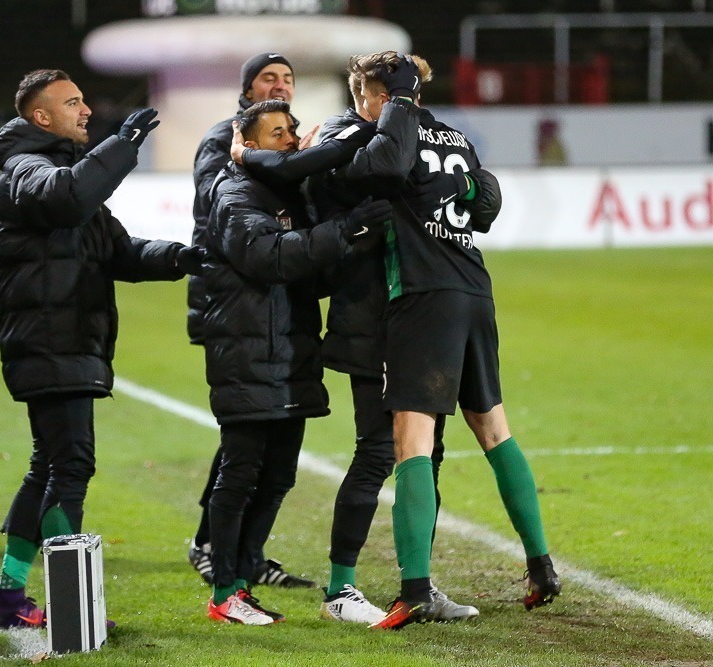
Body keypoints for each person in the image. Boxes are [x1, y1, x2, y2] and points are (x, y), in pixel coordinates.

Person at [0, 69, 202, 629]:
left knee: (47, 466)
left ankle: (10, 599)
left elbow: (119, 251)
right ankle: (69, 608)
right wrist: (123, 145)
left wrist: (180, 256)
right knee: (71, 465)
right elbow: (69, 195)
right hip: (52, 342)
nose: (86, 111)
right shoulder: (28, 171)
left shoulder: (59, 174)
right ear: (41, 117)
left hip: (63, 342)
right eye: (72, 103)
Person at [354, 53, 561, 629]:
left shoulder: (390, 139)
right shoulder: (456, 139)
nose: (360, 109)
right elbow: (485, 206)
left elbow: (381, 172)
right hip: (474, 289)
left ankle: (415, 589)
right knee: (494, 428)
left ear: (382, 97)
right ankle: (541, 566)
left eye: (363, 98)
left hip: (422, 295)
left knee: (412, 441)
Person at [203, 99, 393, 625]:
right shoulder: (235, 193)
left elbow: (313, 270)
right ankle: (223, 591)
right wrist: (345, 229)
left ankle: (242, 582)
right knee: (241, 475)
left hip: (290, 354)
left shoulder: (291, 196)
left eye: (291, 131)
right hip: (247, 351)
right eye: (276, 133)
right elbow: (269, 256)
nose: (289, 140)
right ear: (249, 145)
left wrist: (353, 241)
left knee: (278, 477)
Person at [305, 57, 477, 624]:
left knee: (427, 455)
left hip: (418, 319)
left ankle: (419, 582)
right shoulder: (344, 133)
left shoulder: (409, 136)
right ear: (371, 98)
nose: (411, 105)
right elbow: (386, 167)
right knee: (378, 451)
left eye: (414, 95)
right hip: (371, 322)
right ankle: (340, 589)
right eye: (399, 95)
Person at [186, 52, 315, 591]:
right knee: (244, 440)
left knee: (263, 444)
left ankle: (244, 555)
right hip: (235, 304)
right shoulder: (225, 142)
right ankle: (211, 548)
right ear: (246, 91)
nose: (280, 85)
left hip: (277, 308)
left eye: (287, 79)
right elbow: (221, 209)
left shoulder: (287, 147)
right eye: (268, 78)